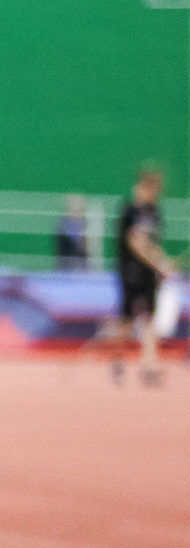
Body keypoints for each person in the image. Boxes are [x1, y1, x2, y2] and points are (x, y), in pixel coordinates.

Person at [113, 165, 174, 388]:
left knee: (149, 319)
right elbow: (137, 242)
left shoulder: (155, 212)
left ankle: (149, 367)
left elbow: (154, 243)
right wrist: (160, 261)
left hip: (148, 275)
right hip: (130, 272)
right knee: (127, 320)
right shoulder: (130, 211)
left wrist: (160, 265)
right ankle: (118, 361)